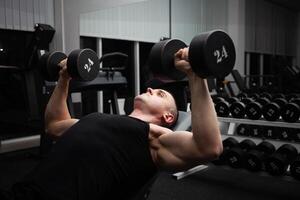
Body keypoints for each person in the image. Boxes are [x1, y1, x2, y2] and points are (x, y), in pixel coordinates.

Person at [3, 48, 223, 200]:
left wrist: (195, 74)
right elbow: (54, 125)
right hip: (22, 192)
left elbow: (208, 147)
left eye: (160, 93)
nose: (149, 89)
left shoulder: (155, 138)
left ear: (168, 117)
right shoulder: (97, 118)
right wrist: (64, 79)